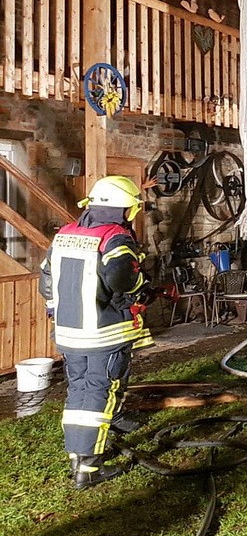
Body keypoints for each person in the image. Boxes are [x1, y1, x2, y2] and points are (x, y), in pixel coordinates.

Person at [39, 176, 153, 489]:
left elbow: (46, 280)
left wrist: (55, 310)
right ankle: (87, 467)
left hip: (69, 332)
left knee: (79, 390)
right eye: (132, 209)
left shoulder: (65, 234)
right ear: (123, 210)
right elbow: (122, 280)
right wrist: (140, 288)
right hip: (104, 333)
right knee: (99, 389)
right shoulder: (115, 238)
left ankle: (80, 453)